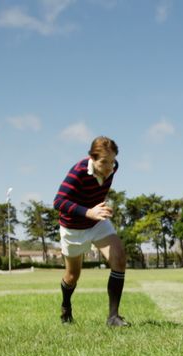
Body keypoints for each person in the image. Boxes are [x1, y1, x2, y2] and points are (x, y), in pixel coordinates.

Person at [53, 135, 130, 327]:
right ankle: (66, 306)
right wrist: (88, 211)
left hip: (97, 223)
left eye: (112, 162)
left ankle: (113, 317)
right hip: (73, 229)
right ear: (92, 159)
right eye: (104, 162)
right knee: (72, 276)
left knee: (119, 258)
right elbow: (59, 202)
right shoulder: (78, 172)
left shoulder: (113, 168)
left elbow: (105, 177)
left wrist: (97, 211)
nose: (109, 167)